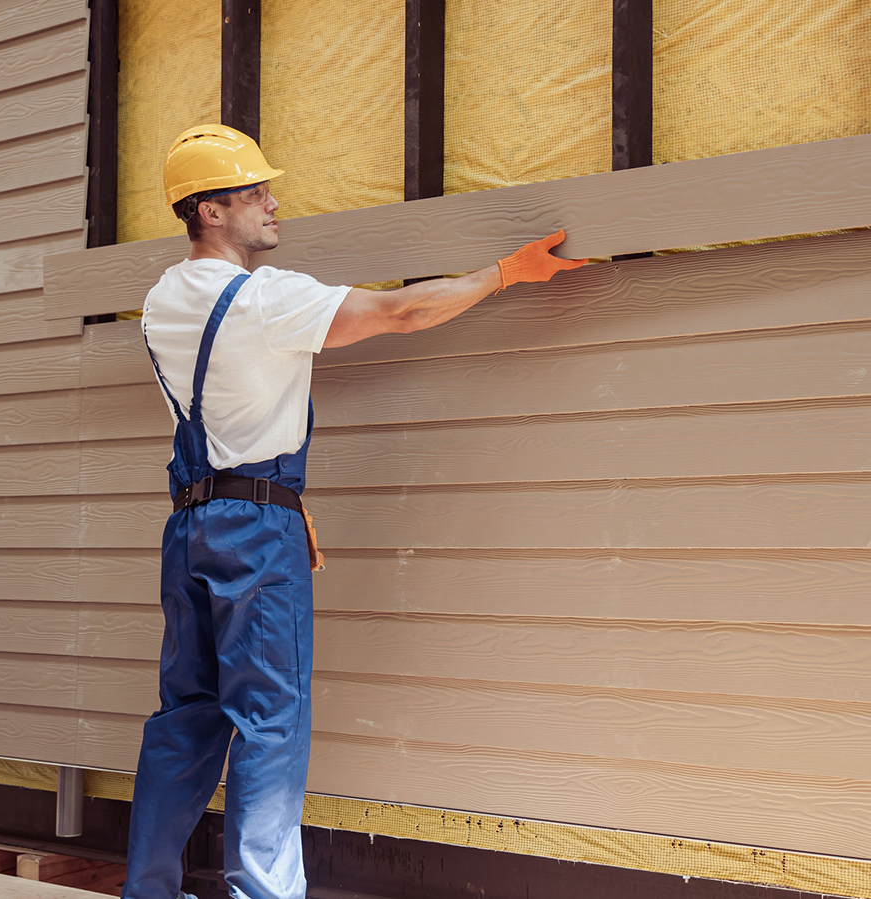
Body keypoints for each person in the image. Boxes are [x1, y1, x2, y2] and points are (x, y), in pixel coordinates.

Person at [122, 124, 584, 899]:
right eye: (254, 192)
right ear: (208, 209)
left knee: (186, 716)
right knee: (269, 722)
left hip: (189, 525)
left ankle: (149, 889)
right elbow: (402, 313)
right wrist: (502, 273)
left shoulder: (162, 299)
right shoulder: (265, 301)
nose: (273, 203)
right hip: (255, 532)